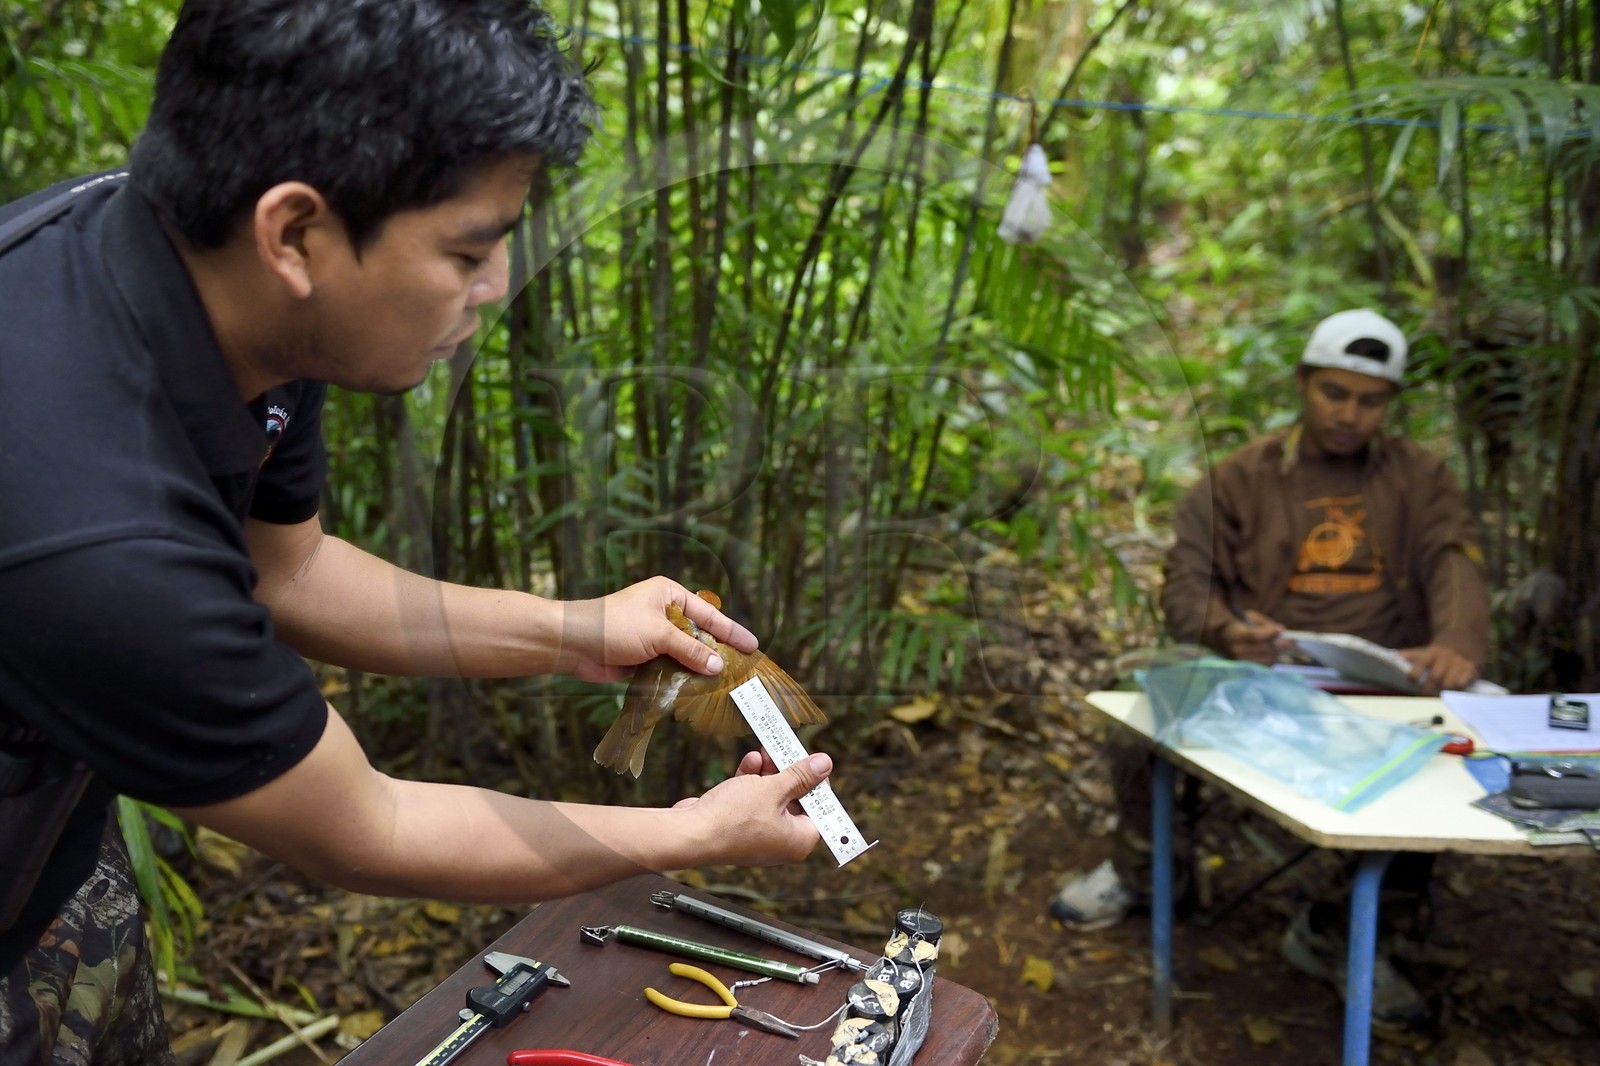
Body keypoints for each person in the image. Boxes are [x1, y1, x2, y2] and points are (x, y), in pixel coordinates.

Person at [0, 2, 833, 1062]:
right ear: (295, 232)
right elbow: (368, 826)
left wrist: (575, 630)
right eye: (468, 252)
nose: (493, 290)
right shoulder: (97, 539)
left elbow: (286, 569)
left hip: (49, 857)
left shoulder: (213, 294)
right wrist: (695, 835)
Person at [1051, 308, 1491, 1031]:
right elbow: (1185, 584)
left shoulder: (1420, 476)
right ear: (1303, 384)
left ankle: (1342, 932)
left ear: (1390, 404)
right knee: (1139, 689)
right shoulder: (1241, 478)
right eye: (1334, 394)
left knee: (1451, 746)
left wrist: (1456, 641)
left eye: (1370, 400)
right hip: (1264, 680)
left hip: (1385, 684)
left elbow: (1455, 556)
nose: (1350, 414)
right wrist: (1226, 628)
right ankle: (1150, 873)